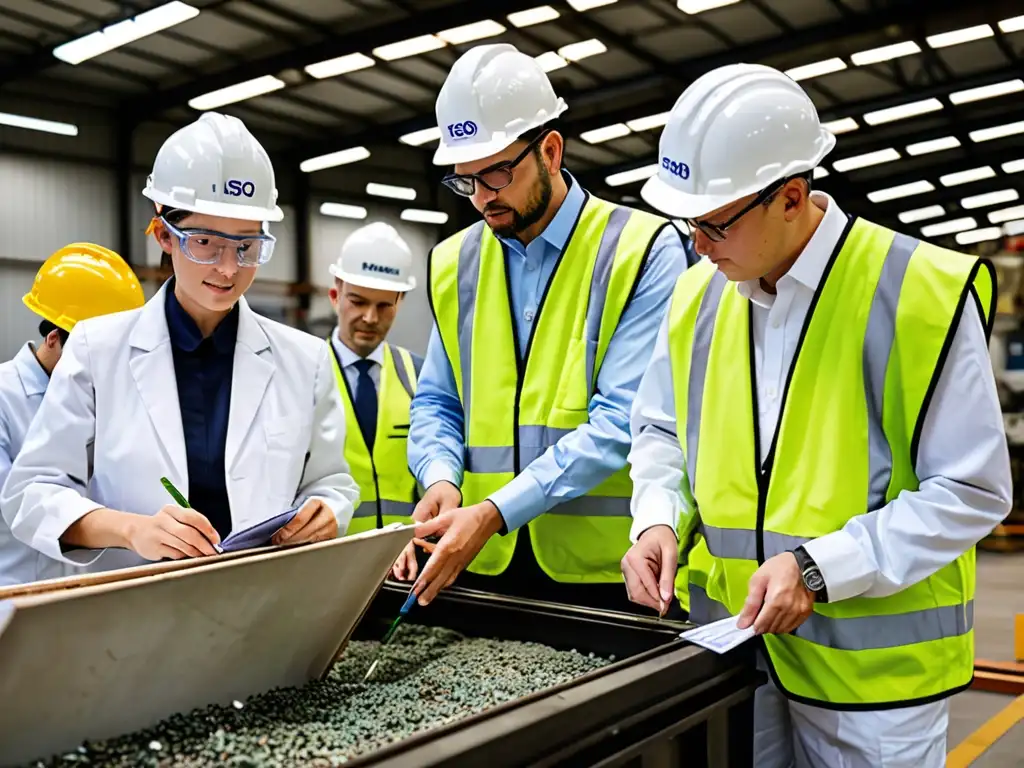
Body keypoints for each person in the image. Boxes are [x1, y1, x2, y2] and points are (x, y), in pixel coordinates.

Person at [621, 62, 1012, 766]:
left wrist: (821, 567)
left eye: (713, 223)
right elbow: (659, 432)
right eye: (688, 223)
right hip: (738, 659)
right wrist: (655, 516)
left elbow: (973, 490)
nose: (698, 246)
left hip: (873, 690)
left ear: (792, 197)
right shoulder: (695, 297)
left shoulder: (919, 291)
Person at [1, 112, 360, 576]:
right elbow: (31, 494)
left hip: (262, 603)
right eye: (206, 242)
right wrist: (131, 530)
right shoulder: (96, 350)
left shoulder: (304, 360)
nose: (229, 269)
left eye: (247, 247)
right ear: (163, 235)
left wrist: (326, 511)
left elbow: (331, 482)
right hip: (132, 614)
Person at [400, 43, 690, 614]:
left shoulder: (643, 251)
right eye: (466, 182)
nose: (482, 198)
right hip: (481, 563)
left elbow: (624, 419)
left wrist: (496, 511)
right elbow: (437, 400)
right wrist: (441, 478)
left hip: (609, 578)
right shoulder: (455, 262)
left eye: (497, 174)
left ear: (551, 151)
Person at [0, 243, 146, 585]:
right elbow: (21, 510)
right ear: (54, 339)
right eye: (90, 356)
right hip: (13, 597)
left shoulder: (109, 399)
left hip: (86, 602)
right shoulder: (5, 398)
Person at [326, 221, 423, 535]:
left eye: (384, 306)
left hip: (405, 558)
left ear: (400, 302)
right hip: (330, 558)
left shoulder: (421, 376)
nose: (370, 318)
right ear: (334, 295)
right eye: (358, 302)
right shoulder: (303, 374)